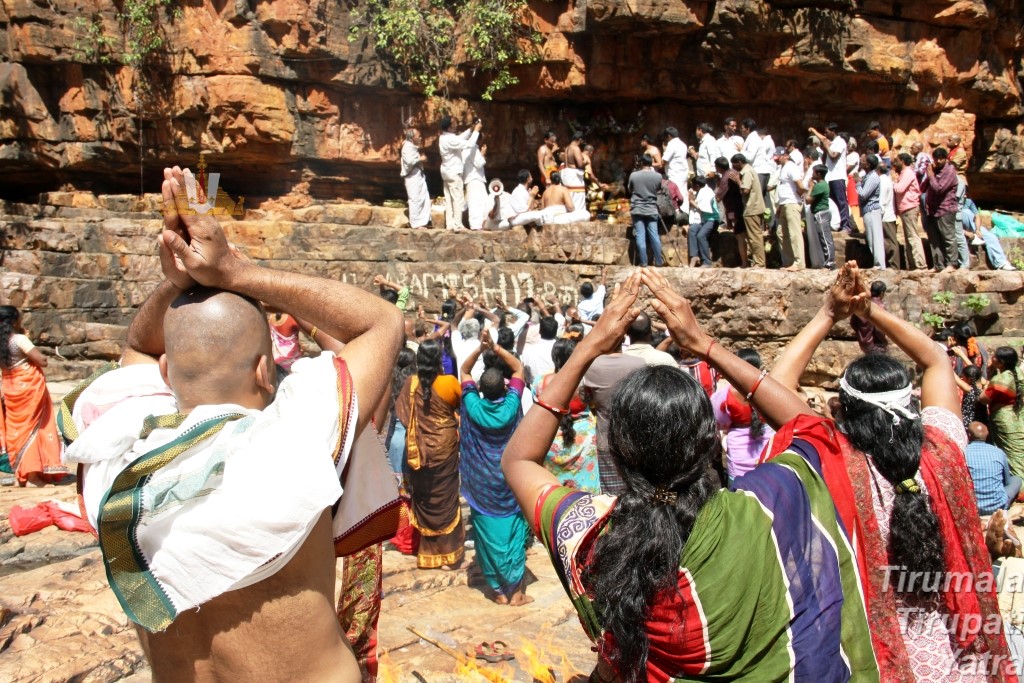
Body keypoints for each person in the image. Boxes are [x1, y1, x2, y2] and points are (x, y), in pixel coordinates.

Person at [62, 166, 405, 681]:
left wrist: (176, 283)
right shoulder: (294, 441)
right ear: (266, 371)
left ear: (164, 372)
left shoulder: (115, 456)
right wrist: (234, 274)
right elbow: (382, 322)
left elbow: (136, 345)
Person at [503, 270, 879, 682]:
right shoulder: (764, 507)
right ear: (706, 444)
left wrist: (588, 349)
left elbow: (519, 461)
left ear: (620, 453)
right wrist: (705, 344)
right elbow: (809, 426)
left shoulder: (589, 534)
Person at [768, 262, 1015, 681]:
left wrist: (830, 311)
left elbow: (774, 383)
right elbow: (936, 360)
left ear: (842, 411)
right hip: (961, 652)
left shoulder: (838, 461)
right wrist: (870, 309)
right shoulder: (944, 447)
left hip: (882, 654)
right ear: (912, 404)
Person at [456, 332, 531, 606]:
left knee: (486, 535)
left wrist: (480, 348)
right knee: (513, 532)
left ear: (480, 389)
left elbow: (463, 369)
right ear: (505, 387)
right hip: (508, 479)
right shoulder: (512, 404)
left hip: (481, 481)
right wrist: (496, 347)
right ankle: (517, 593)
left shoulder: (472, 404)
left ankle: (498, 591)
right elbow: (519, 369)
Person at [396, 339, 465, 569]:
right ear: (438, 360)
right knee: (445, 500)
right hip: (444, 450)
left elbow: (404, 416)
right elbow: (459, 406)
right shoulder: (449, 382)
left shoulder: (410, 383)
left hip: (419, 452)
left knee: (425, 500)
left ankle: (427, 553)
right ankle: (449, 555)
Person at [0, 306, 65, 487]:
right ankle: (33, 477)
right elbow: (41, 360)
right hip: (28, 389)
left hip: (10, 389)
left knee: (17, 431)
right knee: (33, 429)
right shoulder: (19, 340)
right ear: (14, 321)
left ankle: (21, 474)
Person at [535, 336, 600, 494]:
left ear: (554, 357)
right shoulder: (585, 382)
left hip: (550, 438)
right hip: (585, 442)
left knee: (555, 495)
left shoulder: (540, 382)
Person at [710, 347, 775, 482]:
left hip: (739, 456)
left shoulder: (726, 395)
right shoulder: (771, 388)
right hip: (768, 449)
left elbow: (718, 421)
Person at [979, 346, 1024, 477]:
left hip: (1004, 420)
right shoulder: (1018, 373)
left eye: (993, 356)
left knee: (1012, 457)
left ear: (1001, 362)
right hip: (1018, 417)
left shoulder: (1000, 380)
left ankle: (1020, 488)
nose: (990, 358)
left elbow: (984, 399)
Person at [966, 421, 1022, 515]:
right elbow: (1007, 481)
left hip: (972, 507)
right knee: (1017, 479)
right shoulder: (998, 452)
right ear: (987, 434)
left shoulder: (963, 452)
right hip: (998, 506)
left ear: (968, 435)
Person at [438, 116, 481, 230]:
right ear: (449, 126)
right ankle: (457, 225)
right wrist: (476, 131)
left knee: (449, 199)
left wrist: (471, 129)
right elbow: (469, 144)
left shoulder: (443, 137)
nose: (456, 124)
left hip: (446, 171)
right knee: (457, 199)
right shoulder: (450, 139)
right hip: (453, 172)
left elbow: (460, 138)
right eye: (454, 123)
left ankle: (450, 224)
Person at [808, 123, 852, 233]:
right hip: (830, 177)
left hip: (838, 177)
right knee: (832, 202)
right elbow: (822, 138)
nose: (825, 135)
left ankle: (846, 225)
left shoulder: (840, 142)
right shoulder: (831, 141)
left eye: (827, 132)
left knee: (841, 202)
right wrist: (813, 130)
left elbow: (833, 156)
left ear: (833, 131)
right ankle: (836, 225)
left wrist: (827, 146)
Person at [922, 147, 960, 271]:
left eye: (941, 159)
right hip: (932, 210)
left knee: (948, 237)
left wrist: (931, 175)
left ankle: (952, 264)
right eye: (936, 159)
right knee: (934, 239)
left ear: (946, 158)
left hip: (946, 209)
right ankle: (939, 265)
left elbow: (939, 189)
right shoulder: (934, 170)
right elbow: (924, 187)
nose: (938, 161)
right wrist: (929, 174)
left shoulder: (949, 171)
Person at [960, 194, 1017, 270]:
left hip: (973, 227)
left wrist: (977, 229)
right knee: (965, 212)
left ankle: (1001, 263)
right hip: (960, 229)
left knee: (991, 237)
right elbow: (950, 225)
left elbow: (977, 216)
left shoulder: (968, 202)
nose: (964, 195)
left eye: (965, 193)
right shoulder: (951, 204)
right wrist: (965, 233)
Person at [627, 153, 665, 268]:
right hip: (652, 209)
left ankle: (643, 262)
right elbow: (659, 189)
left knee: (640, 235)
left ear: (641, 163)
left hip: (637, 209)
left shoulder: (634, 175)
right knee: (654, 235)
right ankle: (658, 261)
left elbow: (630, 189)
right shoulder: (658, 176)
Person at [892, 152, 928, 270]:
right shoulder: (903, 173)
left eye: (897, 160)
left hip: (910, 207)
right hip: (905, 208)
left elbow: (899, 189)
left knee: (913, 236)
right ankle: (913, 265)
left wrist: (893, 181)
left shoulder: (908, 172)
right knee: (909, 238)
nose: (894, 163)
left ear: (902, 161)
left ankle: (921, 265)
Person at [774, 146, 806, 271]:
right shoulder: (782, 168)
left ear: (786, 155)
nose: (776, 160)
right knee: (781, 232)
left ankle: (799, 262)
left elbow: (800, 185)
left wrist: (798, 196)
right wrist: (780, 207)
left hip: (792, 203)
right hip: (784, 204)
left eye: (778, 157)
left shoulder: (791, 167)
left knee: (794, 233)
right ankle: (789, 261)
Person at [732, 154, 766, 268]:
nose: (733, 167)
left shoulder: (746, 172)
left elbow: (745, 190)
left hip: (752, 208)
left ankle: (759, 262)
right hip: (755, 207)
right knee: (754, 235)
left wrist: (738, 181)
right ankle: (758, 261)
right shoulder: (751, 170)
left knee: (754, 236)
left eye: (734, 164)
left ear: (739, 162)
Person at [714, 156, 747, 267]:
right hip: (741, 207)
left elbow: (718, 197)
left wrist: (717, 184)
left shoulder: (725, 178)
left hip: (735, 208)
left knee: (740, 236)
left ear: (719, 167)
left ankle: (744, 262)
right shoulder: (734, 172)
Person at [857, 154, 885, 269]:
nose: (861, 162)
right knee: (871, 238)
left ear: (868, 164)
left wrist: (857, 183)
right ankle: (877, 263)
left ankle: (879, 265)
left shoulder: (873, 177)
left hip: (872, 210)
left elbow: (863, 195)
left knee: (875, 238)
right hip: (867, 210)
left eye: (863, 161)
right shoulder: (867, 176)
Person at [806, 164, 837, 269]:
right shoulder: (822, 185)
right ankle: (828, 262)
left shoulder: (820, 186)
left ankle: (830, 263)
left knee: (825, 239)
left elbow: (808, 200)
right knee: (824, 238)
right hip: (821, 214)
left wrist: (811, 187)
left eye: (814, 172)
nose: (812, 174)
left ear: (819, 174)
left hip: (821, 214)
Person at [400, 128, 431, 229]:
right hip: (412, 177)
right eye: (418, 136)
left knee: (424, 198)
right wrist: (420, 158)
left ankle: (423, 221)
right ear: (412, 137)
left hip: (418, 176)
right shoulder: (407, 147)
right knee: (415, 199)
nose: (420, 137)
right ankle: (416, 223)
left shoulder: (412, 146)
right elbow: (409, 161)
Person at [849, 280, 889, 354]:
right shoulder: (880, 307)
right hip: (877, 346)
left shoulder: (862, 305)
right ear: (882, 293)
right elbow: (879, 329)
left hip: (864, 345)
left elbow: (853, 323)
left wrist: (861, 334)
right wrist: (883, 342)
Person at [688, 175, 717, 267]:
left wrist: (691, 201)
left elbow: (703, 209)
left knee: (701, 236)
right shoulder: (701, 191)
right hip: (703, 220)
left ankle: (706, 261)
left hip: (712, 220)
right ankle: (694, 255)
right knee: (692, 229)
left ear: (697, 185)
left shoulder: (707, 192)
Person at [520, 316, 558, 386]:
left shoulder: (528, 351)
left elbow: (525, 374)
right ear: (556, 331)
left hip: (536, 391)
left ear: (539, 331)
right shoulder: (563, 349)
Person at [877, 157, 899, 269]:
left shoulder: (882, 181)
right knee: (889, 242)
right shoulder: (887, 179)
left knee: (890, 242)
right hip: (888, 214)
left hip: (886, 216)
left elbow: (882, 200)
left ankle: (894, 266)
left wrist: (878, 215)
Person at [661, 127, 689, 212]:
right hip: (683, 173)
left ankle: (680, 215)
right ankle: (685, 214)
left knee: (675, 195)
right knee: (683, 193)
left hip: (675, 174)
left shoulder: (672, 144)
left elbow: (664, 161)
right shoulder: (683, 144)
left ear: (669, 136)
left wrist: (664, 150)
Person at [462, 140, 488, 230]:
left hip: (474, 179)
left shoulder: (465, 148)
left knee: (482, 202)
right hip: (475, 179)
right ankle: (476, 225)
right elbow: (479, 163)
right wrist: (483, 153)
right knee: (475, 203)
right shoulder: (473, 148)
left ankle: (481, 224)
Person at [562, 130, 588, 213]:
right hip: (574, 177)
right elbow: (580, 164)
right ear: (580, 139)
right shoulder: (576, 148)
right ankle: (578, 216)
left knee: (570, 197)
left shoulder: (567, 148)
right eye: (582, 141)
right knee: (577, 199)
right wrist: (586, 162)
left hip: (567, 175)